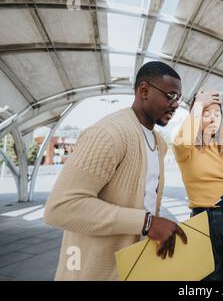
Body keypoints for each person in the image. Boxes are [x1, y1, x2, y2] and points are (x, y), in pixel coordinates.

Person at [44, 61, 187, 280]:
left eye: (178, 98)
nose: (176, 104)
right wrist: (147, 223)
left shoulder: (159, 142)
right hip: (91, 273)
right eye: (170, 96)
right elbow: (61, 208)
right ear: (144, 90)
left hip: (131, 268)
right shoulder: (108, 134)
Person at [172, 89, 223, 281]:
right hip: (203, 221)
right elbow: (180, 142)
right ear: (196, 116)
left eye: (217, 114)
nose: (212, 118)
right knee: (208, 279)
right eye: (205, 113)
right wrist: (198, 103)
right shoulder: (187, 149)